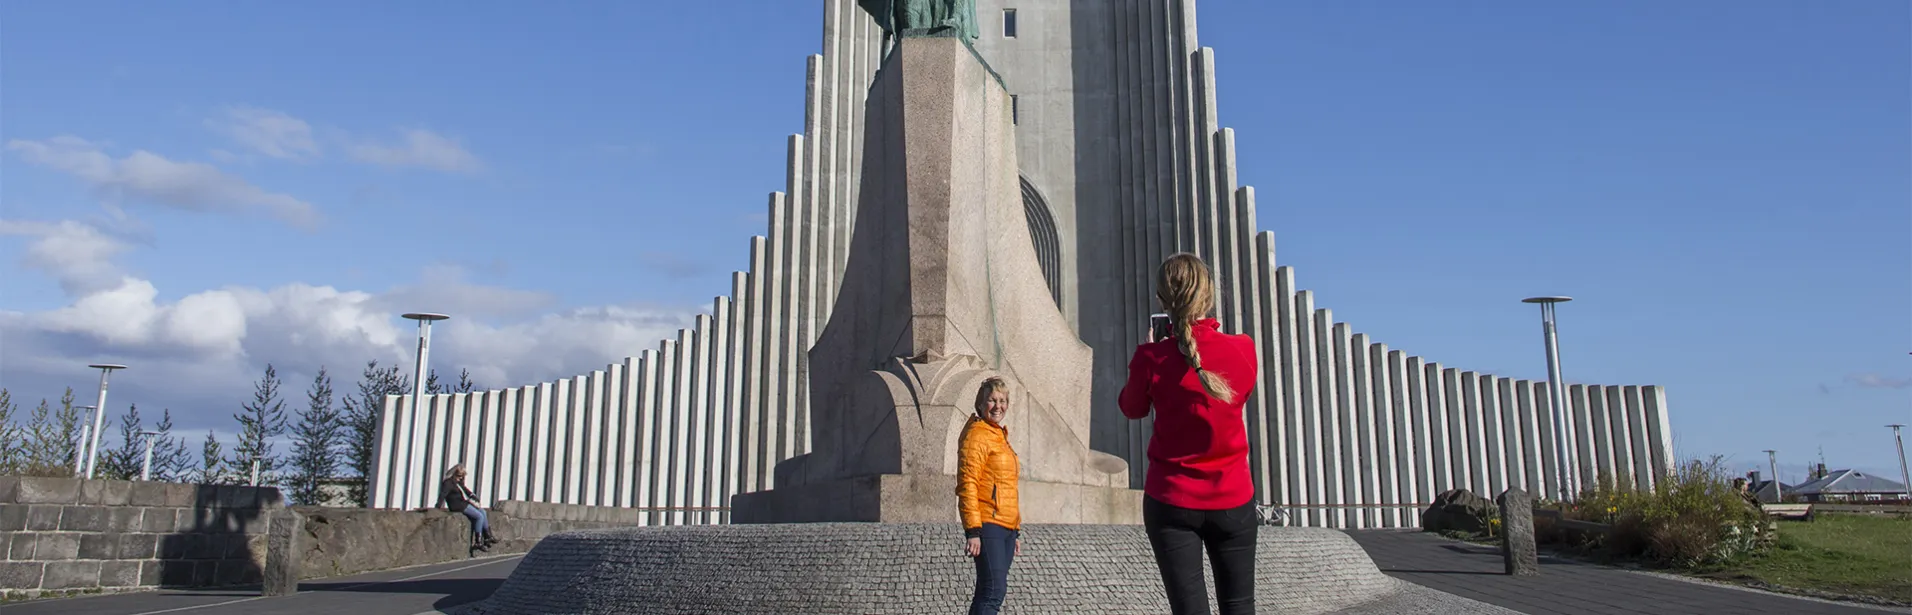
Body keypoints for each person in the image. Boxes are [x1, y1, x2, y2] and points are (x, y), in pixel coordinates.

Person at [1119, 253, 1260, 615]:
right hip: (1233, 499)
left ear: (1162, 301)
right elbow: (1236, 396)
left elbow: (1131, 408)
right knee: (1240, 606)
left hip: (1171, 501)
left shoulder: (1151, 357)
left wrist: (1150, 350)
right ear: (1209, 295)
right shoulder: (1243, 348)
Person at [955, 377, 1021, 615]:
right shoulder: (977, 435)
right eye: (992, 400)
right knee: (994, 591)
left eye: (1002, 400)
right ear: (981, 404)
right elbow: (967, 483)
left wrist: (1015, 529)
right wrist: (973, 531)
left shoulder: (999, 436)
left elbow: (1006, 486)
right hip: (988, 524)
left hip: (1006, 527)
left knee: (987, 591)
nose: (998, 406)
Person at [441, 464, 497, 552]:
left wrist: (473, 497)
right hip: (457, 505)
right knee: (479, 516)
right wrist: (438, 506)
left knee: (483, 512)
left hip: (463, 503)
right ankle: (478, 541)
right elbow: (442, 495)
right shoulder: (448, 483)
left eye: (462, 476)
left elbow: (466, 491)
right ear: (454, 474)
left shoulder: (458, 482)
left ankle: (487, 536)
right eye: (459, 476)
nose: (460, 478)